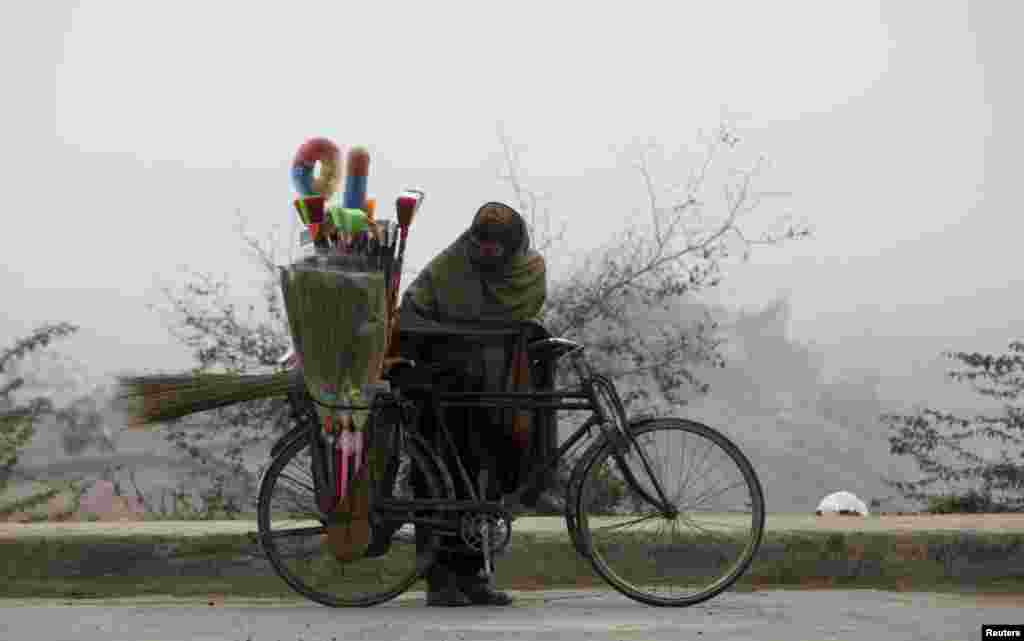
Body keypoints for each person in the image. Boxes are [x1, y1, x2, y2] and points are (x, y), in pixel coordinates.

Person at [394, 202, 547, 606]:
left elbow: (521, 320)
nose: (487, 250)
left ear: (513, 245)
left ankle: (474, 576)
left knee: (485, 485)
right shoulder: (451, 265)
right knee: (438, 481)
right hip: (444, 388)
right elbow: (411, 308)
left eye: (498, 244)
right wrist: (444, 338)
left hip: (498, 390)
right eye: (481, 241)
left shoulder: (529, 272)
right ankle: (439, 580)